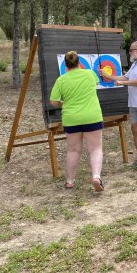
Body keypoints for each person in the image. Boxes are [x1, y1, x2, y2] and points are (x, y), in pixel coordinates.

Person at [50, 51, 105, 191]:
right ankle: (96, 177)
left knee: (73, 150)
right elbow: (98, 81)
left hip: (71, 118)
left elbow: (53, 102)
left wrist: (65, 103)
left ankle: (70, 181)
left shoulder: (61, 80)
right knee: (95, 149)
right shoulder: (90, 74)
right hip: (92, 116)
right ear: (79, 62)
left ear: (65, 65)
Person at [101, 41, 137, 174]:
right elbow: (125, 76)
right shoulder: (136, 64)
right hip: (134, 102)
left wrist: (123, 82)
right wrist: (107, 76)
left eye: (131, 50)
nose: (129, 52)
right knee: (135, 129)